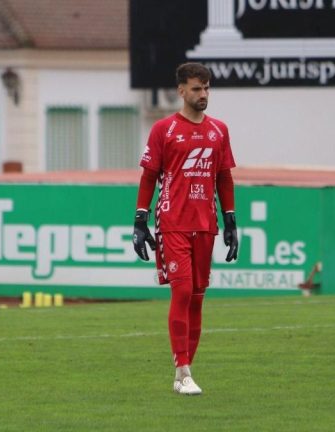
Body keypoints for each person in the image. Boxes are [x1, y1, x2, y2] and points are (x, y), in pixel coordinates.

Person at [132, 62, 239, 396]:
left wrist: (231, 220)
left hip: (206, 223)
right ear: (181, 91)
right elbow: (149, 175)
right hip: (172, 222)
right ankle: (184, 369)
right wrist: (140, 220)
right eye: (196, 88)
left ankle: (182, 374)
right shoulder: (164, 130)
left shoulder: (219, 130)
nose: (203, 94)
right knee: (181, 291)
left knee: (197, 298)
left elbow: (224, 177)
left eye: (206, 88)